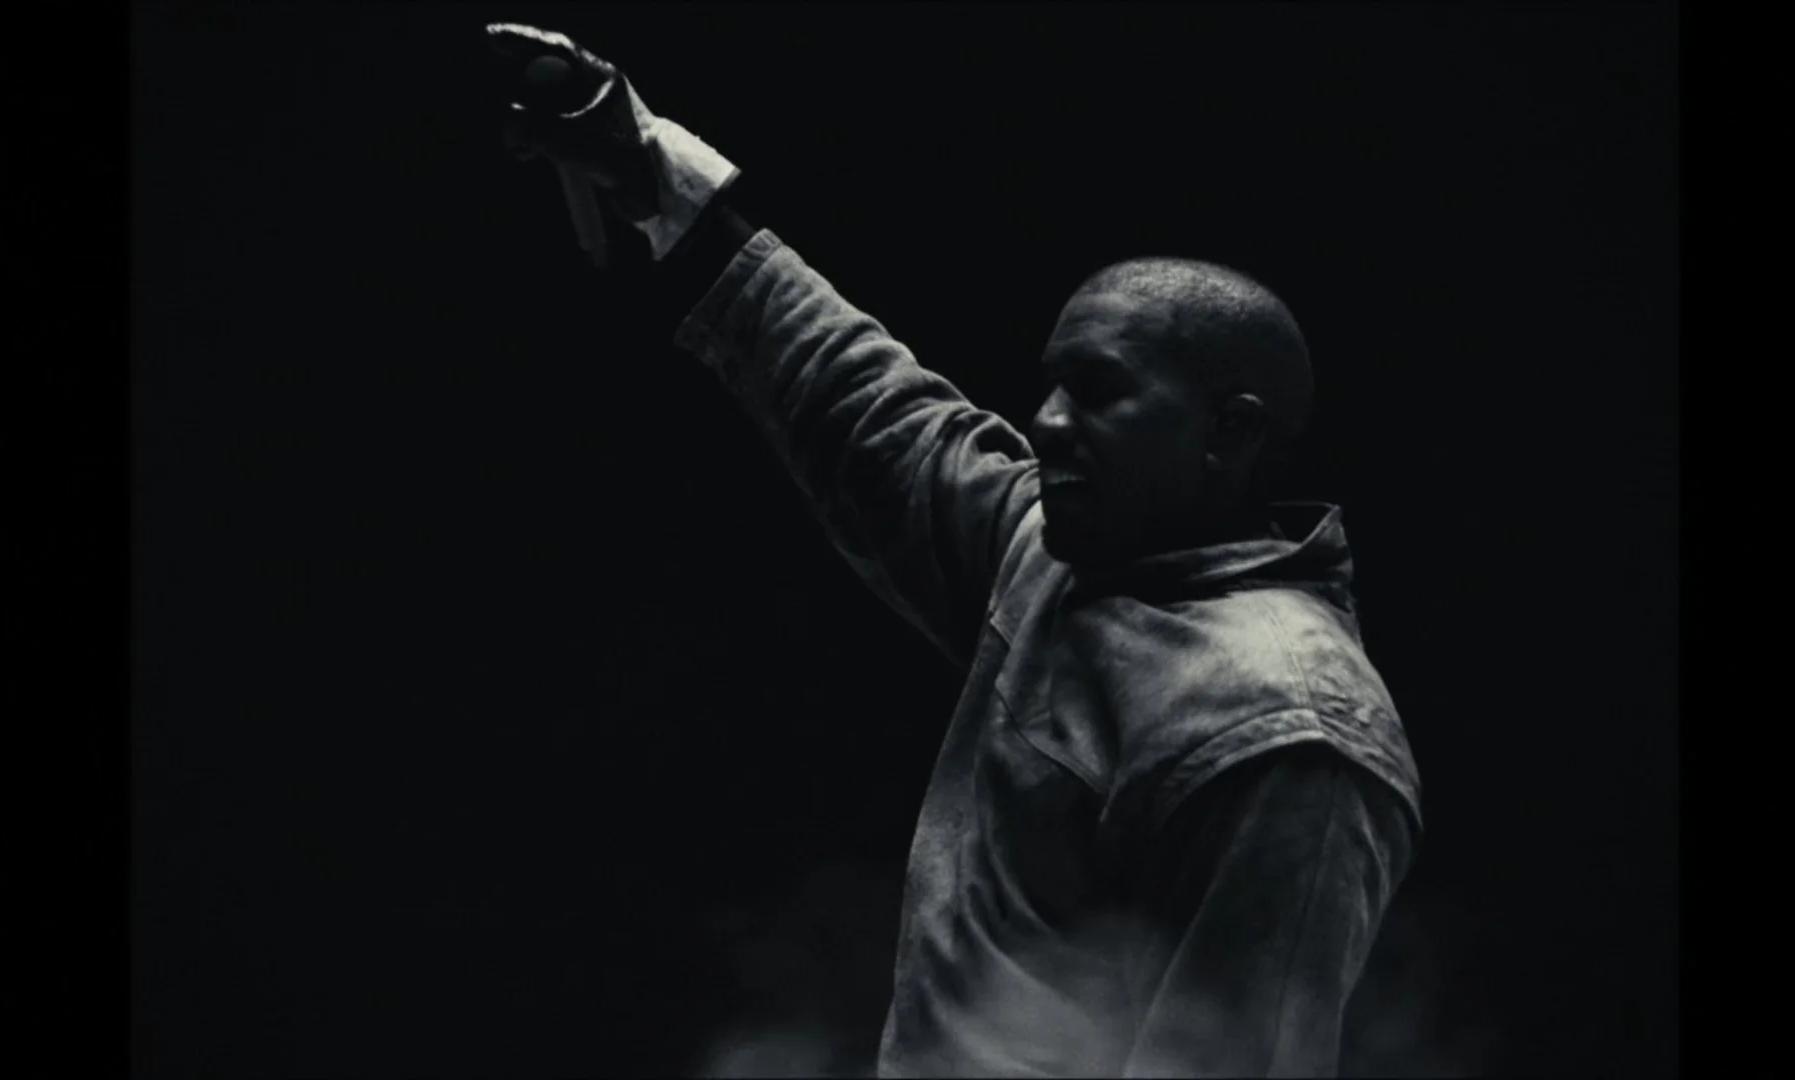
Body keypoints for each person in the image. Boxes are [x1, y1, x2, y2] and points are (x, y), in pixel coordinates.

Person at [486, 23, 1423, 1079]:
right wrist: (644, 165)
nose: (1049, 421)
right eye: (1051, 385)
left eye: (1100, 392)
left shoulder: (1291, 735)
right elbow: (863, 405)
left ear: (1229, 434)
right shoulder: (1065, 551)